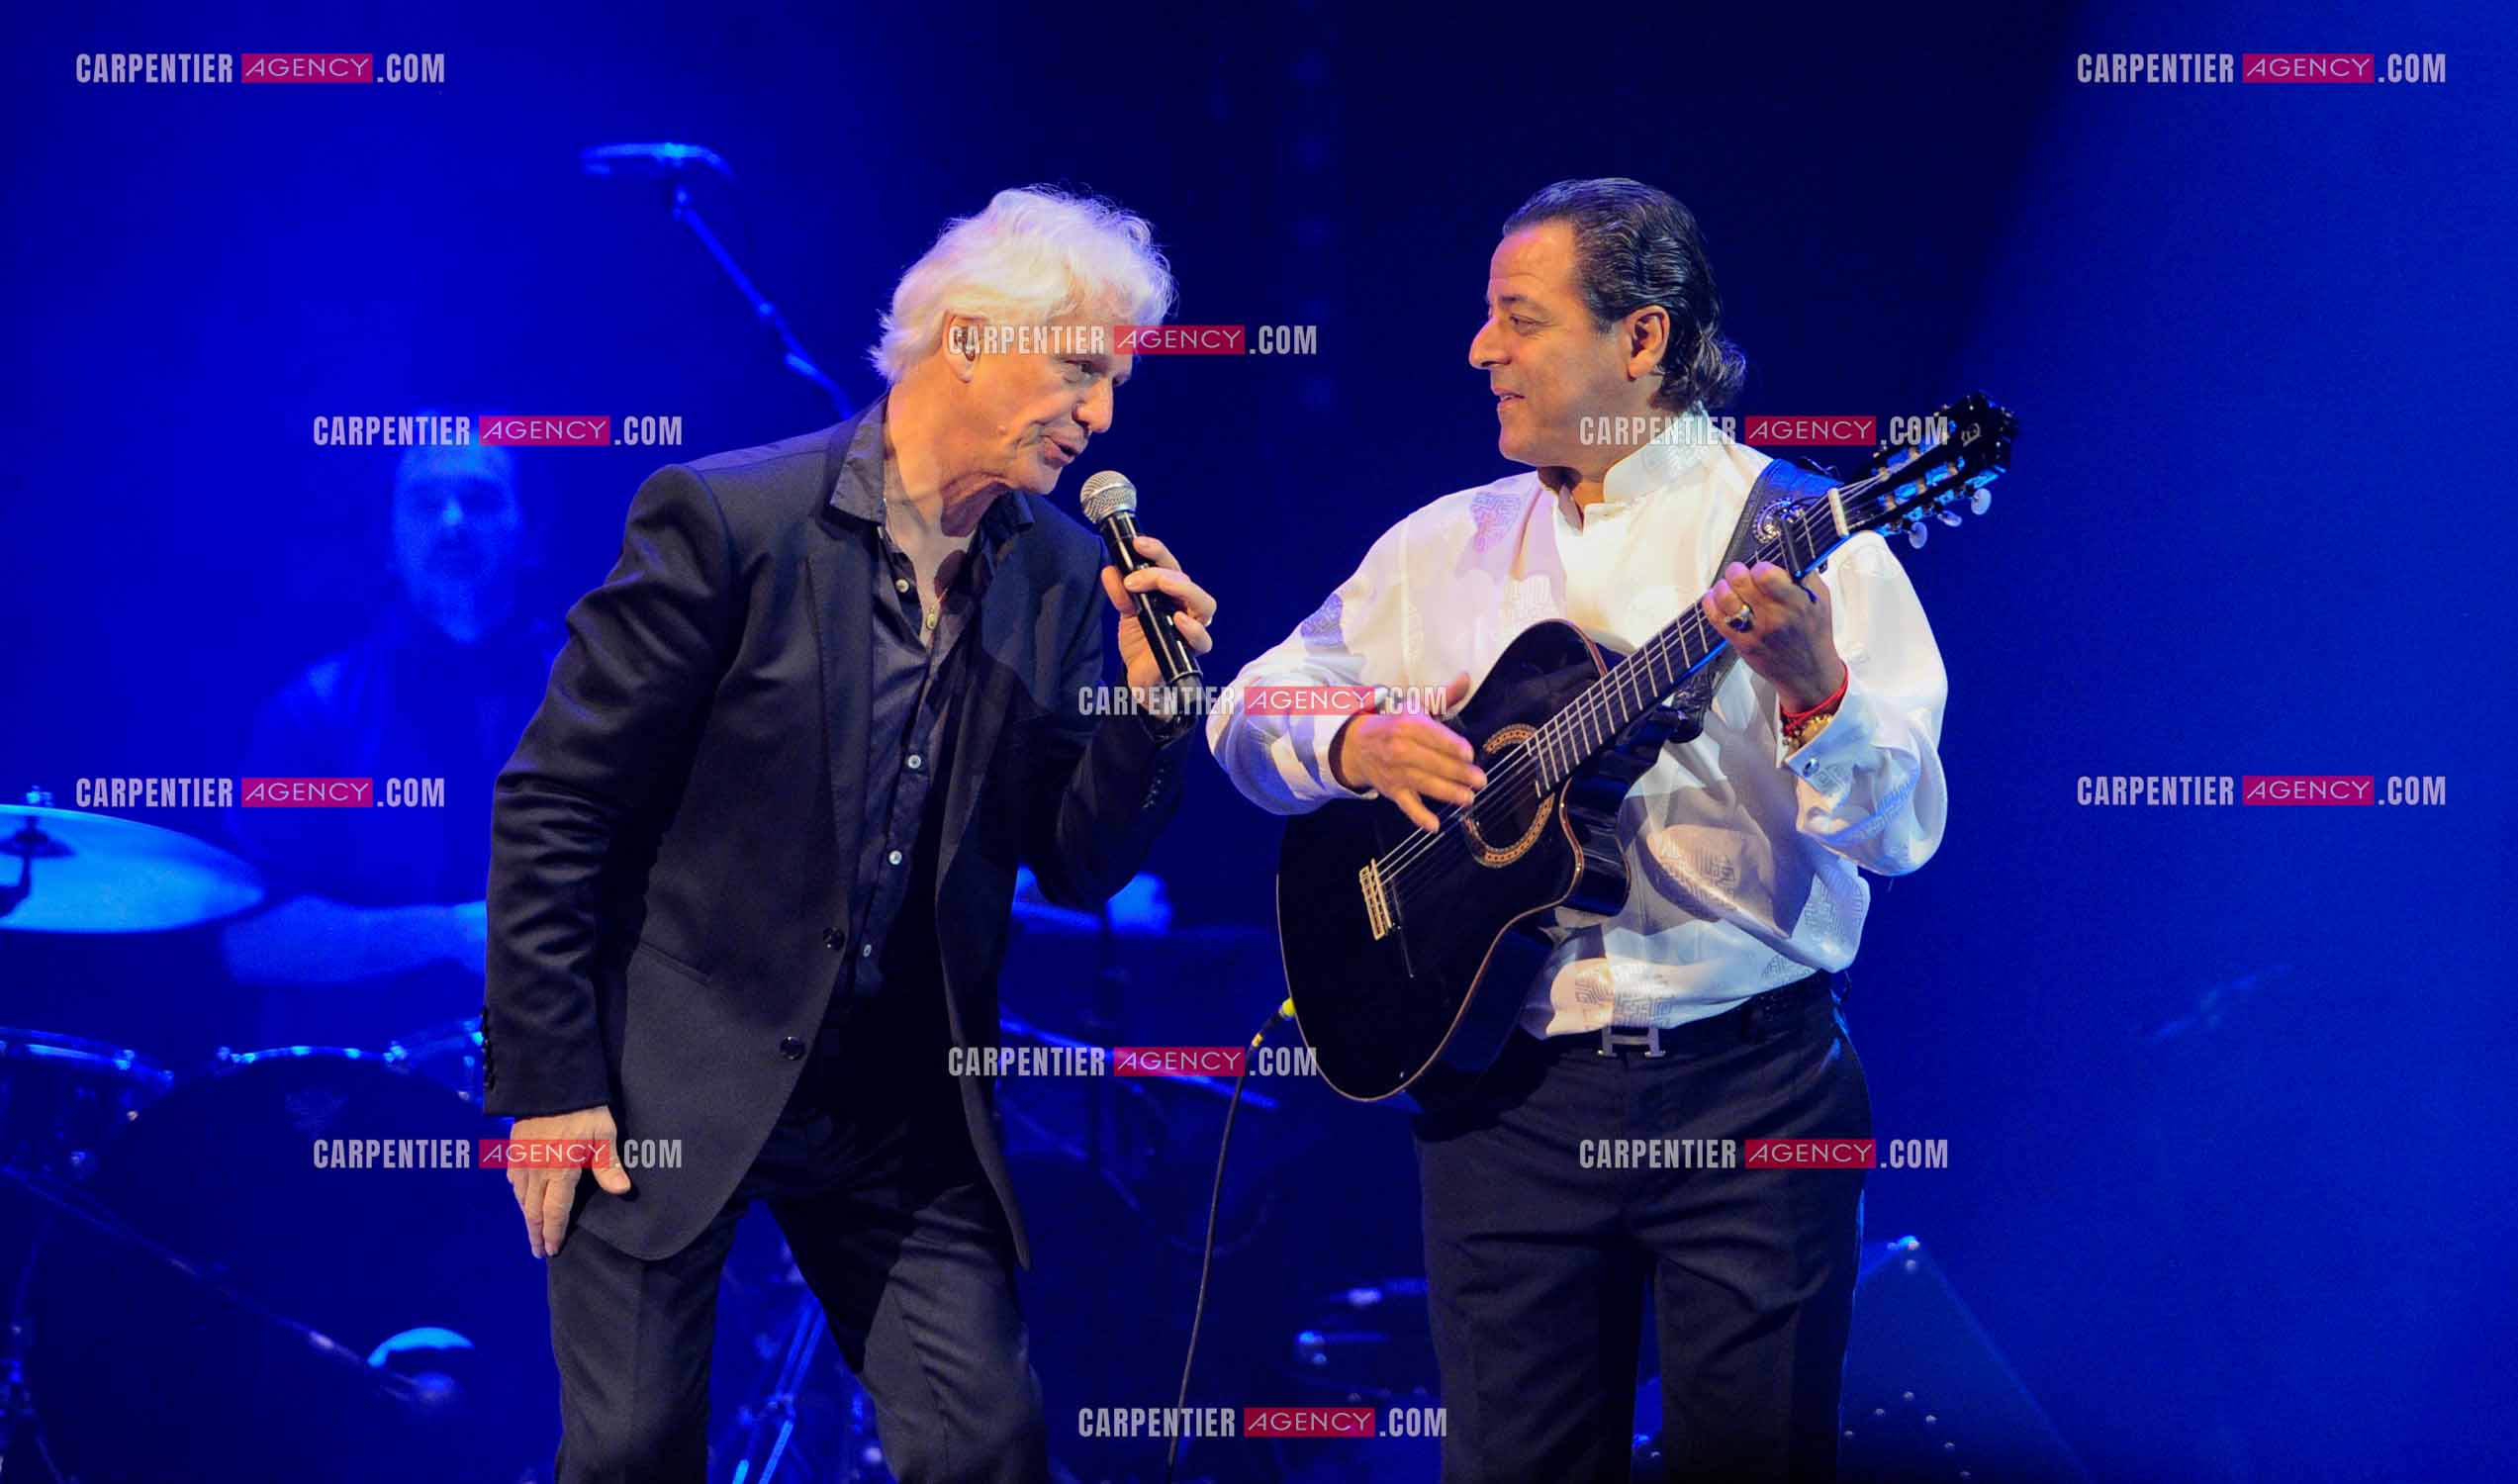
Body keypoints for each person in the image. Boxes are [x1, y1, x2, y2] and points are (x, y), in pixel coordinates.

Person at [1206, 178, 1947, 1482]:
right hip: (1506, 1096)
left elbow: (1902, 833)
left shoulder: (1809, 539)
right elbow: (1245, 708)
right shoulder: (1447, 544)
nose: (1479, 349)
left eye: (1517, 317)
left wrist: (1815, 688)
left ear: (1640, 340)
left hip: (1753, 1098)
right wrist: (1351, 740)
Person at [484, 185, 1214, 1483]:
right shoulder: (727, 523)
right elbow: (557, 805)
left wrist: (1153, 716)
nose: (1103, 417)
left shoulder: (1049, 570)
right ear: (976, 338)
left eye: (1118, 382)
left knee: (987, 1442)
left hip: (897, 1103)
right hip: (672, 1072)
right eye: (1083, 371)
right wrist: (548, 1087)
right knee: (634, 1450)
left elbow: (1075, 857)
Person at [223, 439, 557, 1051]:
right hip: (368, 1104)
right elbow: (252, 940)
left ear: (529, 536)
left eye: (479, 500)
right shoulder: (313, 711)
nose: (452, 522)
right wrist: (451, 934)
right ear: (388, 544)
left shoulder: (606, 699)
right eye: (426, 503)